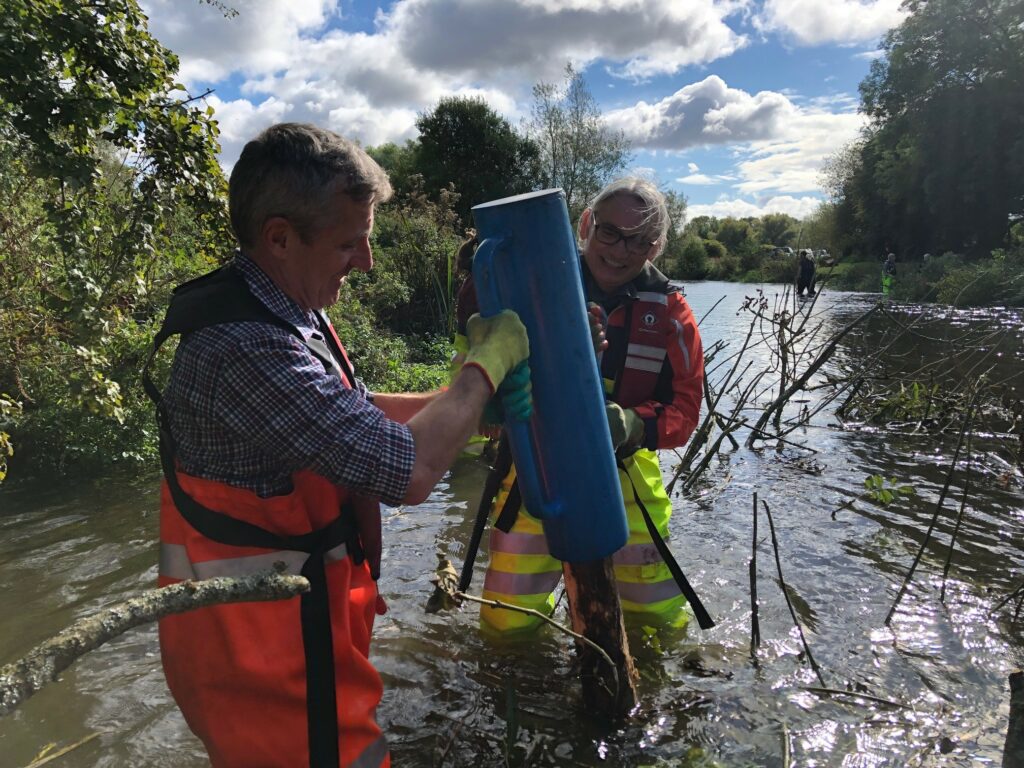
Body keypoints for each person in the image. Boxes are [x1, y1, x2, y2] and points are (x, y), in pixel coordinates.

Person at [143, 123, 532, 768]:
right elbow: (404, 469)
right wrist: (481, 369)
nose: (368, 262)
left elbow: (346, 418)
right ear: (279, 238)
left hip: (298, 631)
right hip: (261, 663)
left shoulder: (287, 309)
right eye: (349, 243)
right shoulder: (243, 348)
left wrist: (474, 412)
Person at [477, 178, 704, 634]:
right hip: (535, 477)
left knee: (656, 627)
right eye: (610, 233)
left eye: (639, 240)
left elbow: (685, 412)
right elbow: (479, 378)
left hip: (627, 483)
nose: (621, 251)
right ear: (586, 223)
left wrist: (631, 425)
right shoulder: (531, 286)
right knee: (506, 626)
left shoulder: (672, 315)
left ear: (655, 248)